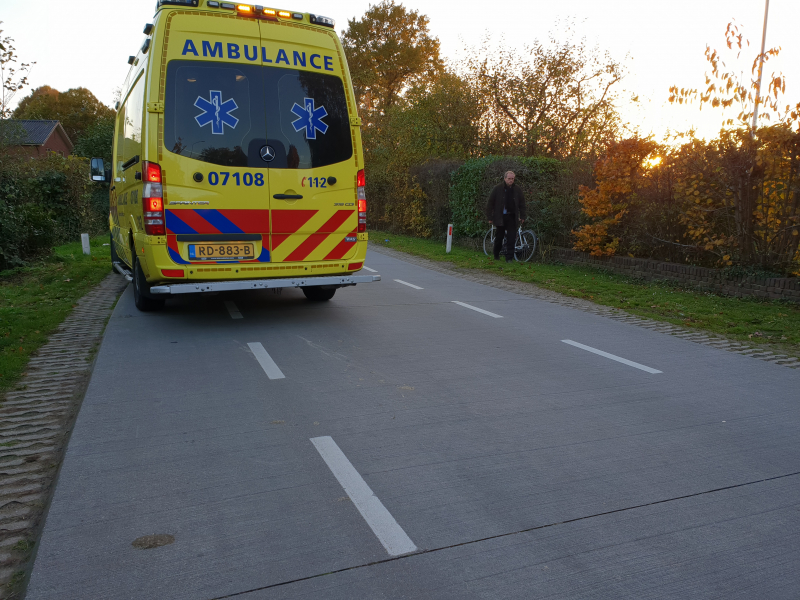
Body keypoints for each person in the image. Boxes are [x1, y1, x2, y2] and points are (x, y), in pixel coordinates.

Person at [486, 171, 526, 262]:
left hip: (512, 216)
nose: (511, 180)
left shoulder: (517, 190)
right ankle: (496, 255)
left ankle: (509, 258)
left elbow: (522, 204)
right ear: (505, 178)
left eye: (512, 179)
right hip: (500, 217)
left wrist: (522, 216)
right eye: (509, 179)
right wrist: (490, 217)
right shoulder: (498, 189)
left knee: (511, 238)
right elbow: (490, 203)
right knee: (499, 237)